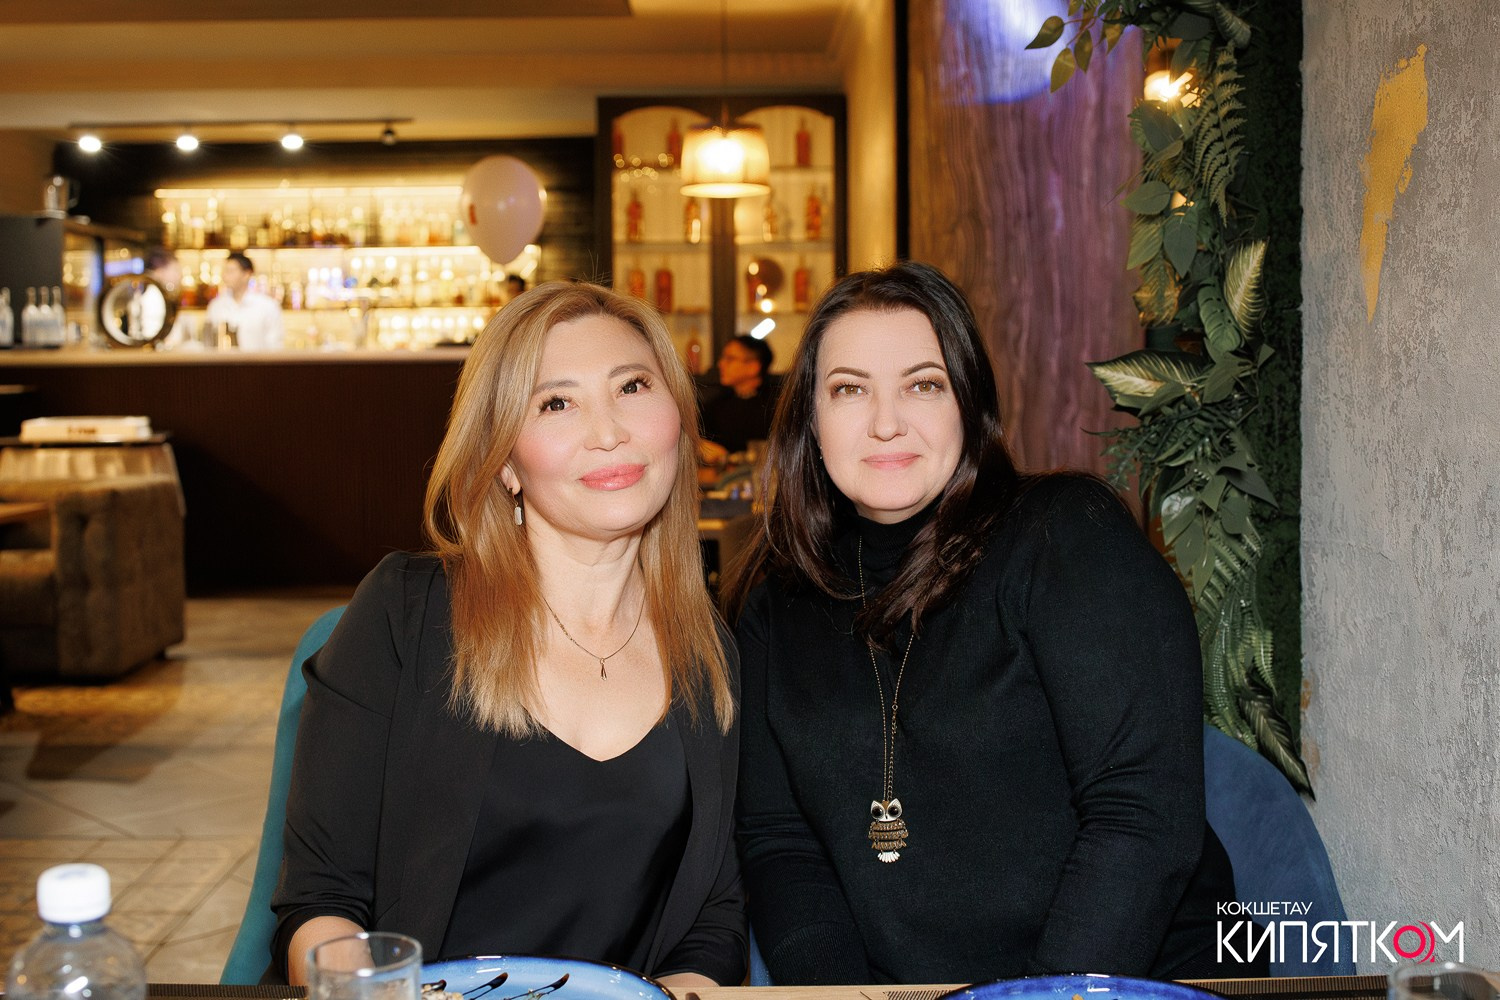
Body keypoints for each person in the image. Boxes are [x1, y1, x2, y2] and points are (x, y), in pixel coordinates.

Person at [723, 261, 1249, 985]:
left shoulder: (1066, 538)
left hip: (1128, 981)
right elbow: (780, 843)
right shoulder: (775, 603)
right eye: (849, 389)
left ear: (970, 406)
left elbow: (1141, 819)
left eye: (923, 384)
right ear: (809, 423)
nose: (886, 422)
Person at [271, 282, 744, 987]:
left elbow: (712, 916)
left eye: (632, 386)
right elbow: (322, 903)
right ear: (504, 462)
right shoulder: (405, 615)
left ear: (678, 417)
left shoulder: (708, 649)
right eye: (556, 403)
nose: (608, 431)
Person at [700, 335, 778, 463]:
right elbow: (697, 437)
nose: (720, 364)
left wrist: (727, 457)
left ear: (753, 367)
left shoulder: (777, 405)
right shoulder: (717, 403)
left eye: (730, 359)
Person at [205, 252, 284, 350]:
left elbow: (275, 345)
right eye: (225, 271)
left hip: (257, 360)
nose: (225, 276)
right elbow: (209, 344)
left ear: (247, 274)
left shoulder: (267, 306)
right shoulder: (216, 306)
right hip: (225, 360)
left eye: (231, 271)